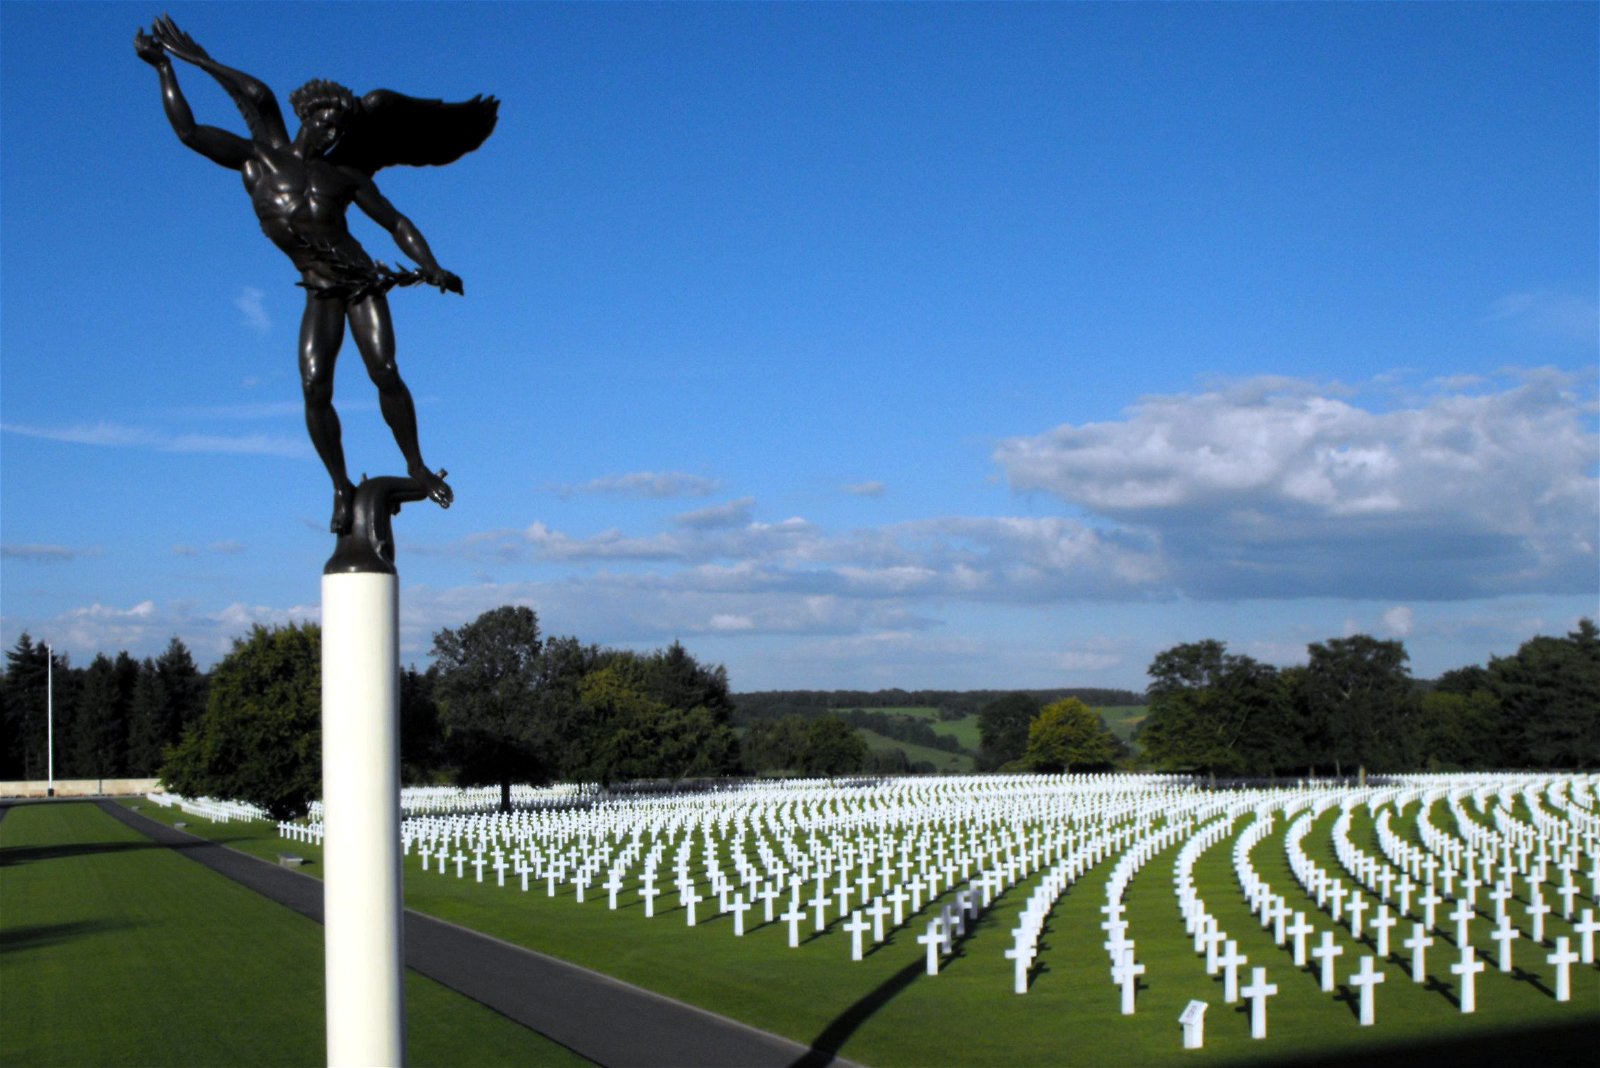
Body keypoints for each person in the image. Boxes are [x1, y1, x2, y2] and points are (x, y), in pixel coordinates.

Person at [135, 16, 497, 533]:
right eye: (326, 123)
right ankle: (340, 486)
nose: (332, 134)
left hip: (361, 278)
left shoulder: (343, 175)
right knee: (314, 387)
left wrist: (431, 266)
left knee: (385, 372)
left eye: (340, 130)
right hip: (319, 287)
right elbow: (189, 131)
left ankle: (417, 464)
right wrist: (168, 66)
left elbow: (394, 221)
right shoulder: (258, 160)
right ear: (307, 114)